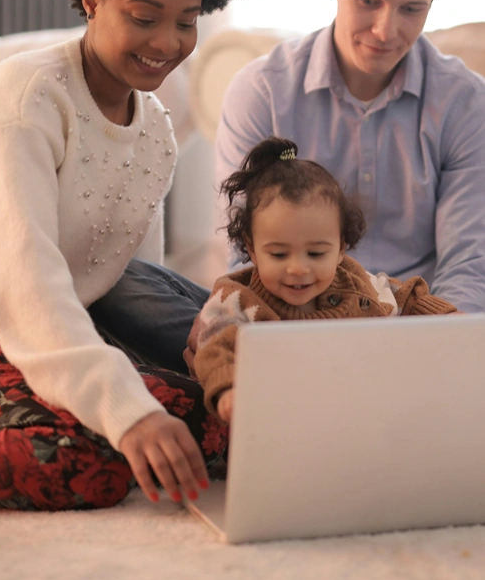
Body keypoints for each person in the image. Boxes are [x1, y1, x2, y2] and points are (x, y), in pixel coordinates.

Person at [0, 0, 265, 510]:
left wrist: (197, 361)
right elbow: (24, 284)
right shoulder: (26, 97)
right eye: (144, 17)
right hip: (2, 317)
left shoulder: (158, 131)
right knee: (80, 460)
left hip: (81, 317)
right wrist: (129, 412)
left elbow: (129, 280)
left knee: (223, 414)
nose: (167, 43)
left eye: (187, 22)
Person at [215, 0, 485, 314]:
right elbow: (245, 256)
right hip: (292, 312)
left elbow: (468, 265)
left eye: (411, 9)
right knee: (140, 288)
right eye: (368, 1)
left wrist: (431, 347)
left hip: (416, 317)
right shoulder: (262, 91)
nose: (385, 30)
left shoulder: (466, 103)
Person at [194, 137, 458, 423]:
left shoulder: (354, 283)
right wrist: (229, 389)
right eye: (280, 254)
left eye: (316, 253)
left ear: (341, 248)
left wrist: (451, 318)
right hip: (280, 420)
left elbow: (403, 296)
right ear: (252, 249)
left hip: (360, 413)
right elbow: (214, 348)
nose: (298, 268)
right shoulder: (235, 299)